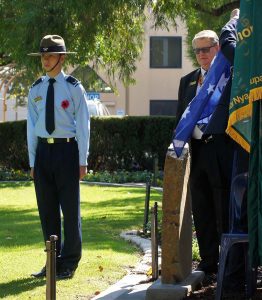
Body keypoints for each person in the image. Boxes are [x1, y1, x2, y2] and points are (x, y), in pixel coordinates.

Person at [27, 35, 90, 279]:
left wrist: (82, 160)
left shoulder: (74, 87)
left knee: (70, 211)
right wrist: (33, 162)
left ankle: (70, 262)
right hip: (43, 153)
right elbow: (31, 127)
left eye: (50, 55)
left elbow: (83, 126)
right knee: (47, 209)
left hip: (67, 152)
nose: (45, 59)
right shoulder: (36, 88)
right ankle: (52, 260)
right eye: (43, 55)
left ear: (62, 58)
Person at [175, 30, 235, 274]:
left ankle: (230, 264)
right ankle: (209, 261)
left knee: (223, 207)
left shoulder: (228, 76)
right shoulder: (187, 81)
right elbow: (181, 117)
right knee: (201, 207)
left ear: (217, 49)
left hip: (221, 149)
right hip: (197, 151)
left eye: (206, 49)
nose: (201, 55)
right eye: (197, 50)